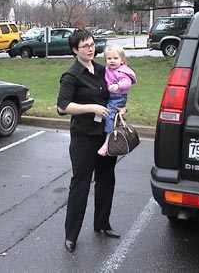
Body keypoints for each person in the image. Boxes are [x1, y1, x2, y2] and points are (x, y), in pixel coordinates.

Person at [56, 29, 121, 253]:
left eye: (93, 44)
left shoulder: (104, 70)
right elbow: (62, 107)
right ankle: (71, 235)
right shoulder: (72, 76)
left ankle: (102, 224)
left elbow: (117, 92)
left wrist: (121, 105)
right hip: (84, 138)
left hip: (105, 136)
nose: (91, 48)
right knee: (80, 185)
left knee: (106, 180)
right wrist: (90, 107)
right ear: (75, 50)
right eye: (86, 46)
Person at [97, 44, 137, 156]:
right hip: (110, 96)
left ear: (122, 60)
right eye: (109, 58)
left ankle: (108, 140)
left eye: (115, 58)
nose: (112, 61)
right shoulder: (107, 70)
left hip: (118, 98)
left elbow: (127, 83)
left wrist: (118, 85)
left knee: (110, 115)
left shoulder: (122, 71)